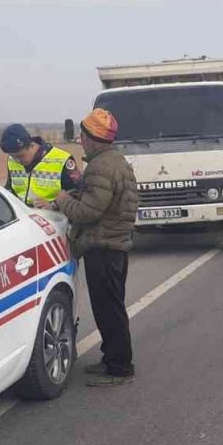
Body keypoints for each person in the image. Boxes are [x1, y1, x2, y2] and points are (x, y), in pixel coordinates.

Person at [33, 108, 138, 387]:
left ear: (91, 138)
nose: (80, 140)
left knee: (109, 310)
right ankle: (111, 358)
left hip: (104, 247)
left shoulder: (101, 166)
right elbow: (92, 196)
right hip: (113, 245)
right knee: (109, 307)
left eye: (83, 135)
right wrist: (60, 202)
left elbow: (88, 211)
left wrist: (62, 199)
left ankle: (120, 368)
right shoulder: (113, 161)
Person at [0, 123, 83, 204]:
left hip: (55, 212)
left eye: (20, 156)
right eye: (13, 156)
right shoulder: (12, 161)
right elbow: (10, 189)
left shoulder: (62, 160)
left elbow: (79, 192)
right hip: (23, 212)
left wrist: (53, 205)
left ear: (31, 146)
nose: (17, 160)